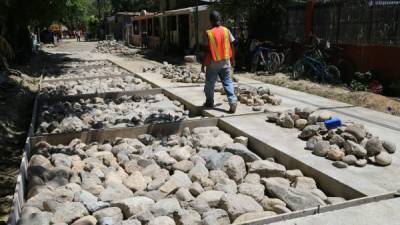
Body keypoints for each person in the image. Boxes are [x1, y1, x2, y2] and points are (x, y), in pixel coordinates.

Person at [201, 10, 238, 113]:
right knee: (228, 82)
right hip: (226, 62)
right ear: (220, 19)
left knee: (209, 84)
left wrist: (203, 64)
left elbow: (206, 51)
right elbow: (232, 45)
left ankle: (209, 102)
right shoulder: (226, 31)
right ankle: (232, 102)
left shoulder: (208, 33)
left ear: (211, 21)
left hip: (213, 63)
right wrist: (233, 59)